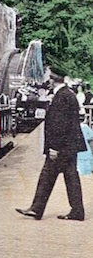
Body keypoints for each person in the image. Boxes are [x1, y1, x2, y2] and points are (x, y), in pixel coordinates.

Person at [16, 73, 87, 221]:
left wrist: (54, 147)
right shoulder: (69, 94)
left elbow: (59, 125)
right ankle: (77, 211)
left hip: (61, 147)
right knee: (71, 178)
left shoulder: (61, 97)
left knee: (47, 175)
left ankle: (37, 209)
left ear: (52, 81)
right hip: (70, 146)